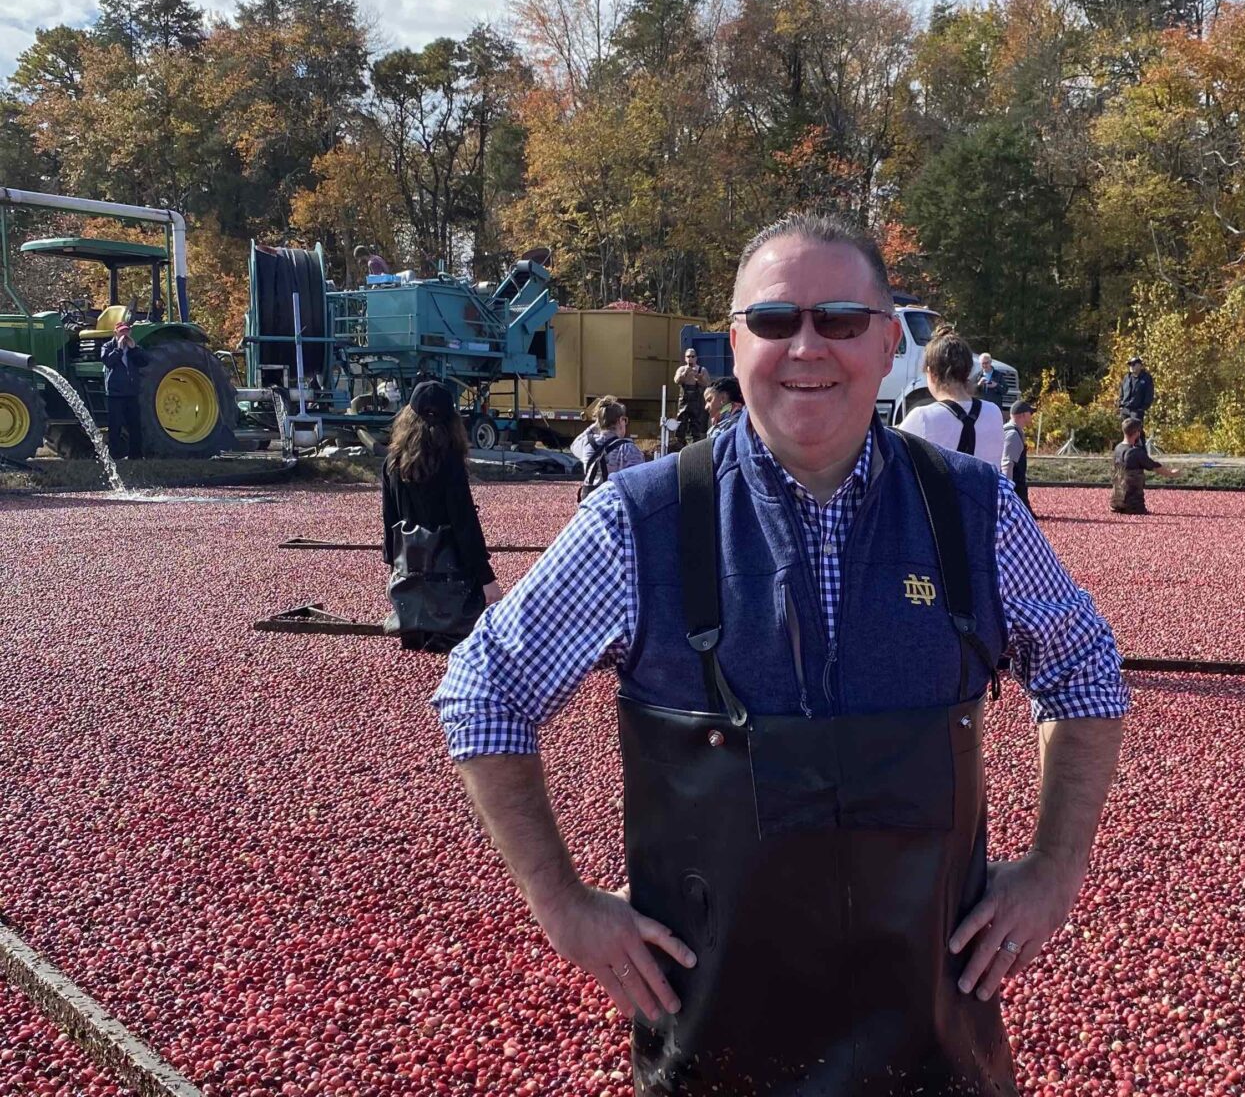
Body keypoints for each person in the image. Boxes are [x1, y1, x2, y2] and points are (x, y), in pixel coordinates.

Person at [433, 212, 1128, 1097]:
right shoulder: (642, 522)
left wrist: (1054, 872)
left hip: (935, 1052)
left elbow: (1087, 671)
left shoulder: (972, 512)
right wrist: (562, 905)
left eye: (840, 320)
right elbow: (483, 689)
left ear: (888, 347)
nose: (808, 346)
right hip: (718, 1054)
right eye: (774, 321)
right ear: (734, 344)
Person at [381, 381, 502, 652]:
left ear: (407, 417)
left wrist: (393, 566)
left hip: (411, 582)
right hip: (451, 585)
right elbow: (464, 525)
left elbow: (389, 522)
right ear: (452, 421)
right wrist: (486, 578)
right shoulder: (450, 463)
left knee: (414, 669)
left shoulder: (392, 462)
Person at [898, 329, 1006, 467]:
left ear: (931, 373)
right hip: (987, 488)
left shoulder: (922, 417)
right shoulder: (993, 412)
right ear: (968, 370)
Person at [572, 395, 645, 501]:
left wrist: (596, 424)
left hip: (589, 501)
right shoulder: (627, 448)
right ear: (621, 420)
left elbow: (574, 446)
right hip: (613, 502)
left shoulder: (587, 443)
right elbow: (638, 481)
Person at [99, 314, 148, 460]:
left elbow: (144, 362)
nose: (124, 335)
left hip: (131, 392)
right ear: (115, 333)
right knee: (115, 426)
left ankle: (136, 455)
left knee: (135, 425)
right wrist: (119, 349)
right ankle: (114, 455)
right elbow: (108, 361)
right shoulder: (108, 346)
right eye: (122, 332)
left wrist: (134, 349)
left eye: (126, 332)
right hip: (115, 393)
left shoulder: (133, 348)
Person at [1110, 418, 1180, 514]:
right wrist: (1171, 473)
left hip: (1115, 504)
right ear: (1137, 433)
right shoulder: (1135, 452)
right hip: (1134, 506)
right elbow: (1154, 466)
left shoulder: (1117, 449)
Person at [1001, 399, 1035, 515]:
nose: (1031, 415)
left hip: (1017, 483)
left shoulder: (1013, 430)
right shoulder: (1013, 434)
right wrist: (1007, 491)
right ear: (1023, 415)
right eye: (1030, 413)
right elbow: (1007, 464)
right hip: (1015, 485)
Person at [673, 348, 710, 445]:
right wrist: (685, 374)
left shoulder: (702, 370)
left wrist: (699, 378)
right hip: (684, 400)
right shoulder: (681, 369)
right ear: (685, 358)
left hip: (696, 400)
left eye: (692, 356)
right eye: (688, 356)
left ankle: (695, 444)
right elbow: (677, 381)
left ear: (696, 358)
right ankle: (680, 444)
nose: (690, 359)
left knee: (696, 423)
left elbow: (707, 384)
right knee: (681, 423)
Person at [1117, 357, 1154, 427]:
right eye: (1130, 365)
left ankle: (1141, 438)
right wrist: (1121, 405)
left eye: (1133, 364)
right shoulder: (1126, 377)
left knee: (1137, 431)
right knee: (1126, 431)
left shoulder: (1146, 378)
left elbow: (1149, 394)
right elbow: (1121, 392)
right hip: (1125, 409)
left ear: (1140, 365)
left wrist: (1143, 408)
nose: (1131, 366)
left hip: (1137, 410)